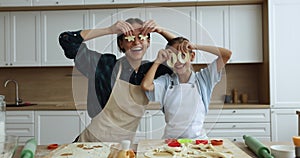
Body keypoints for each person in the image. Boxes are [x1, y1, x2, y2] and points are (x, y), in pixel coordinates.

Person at [59, 18, 175, 142]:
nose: (136, 43)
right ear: (121, 44)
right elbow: (67, 39)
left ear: (148, 42)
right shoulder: (104, 65)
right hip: (90, 144)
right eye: (129, 38)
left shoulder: (152, 72)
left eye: (141, 37)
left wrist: (161, 31)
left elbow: (183, 53)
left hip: (122, 147)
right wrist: (109, 30)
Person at [141, 37, 232, 139]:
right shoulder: (166, 82)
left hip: (198, 142)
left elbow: (226, 54)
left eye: (182, 56)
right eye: (173, 58)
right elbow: (146, 85)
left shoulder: (204, 79)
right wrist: (158, 61)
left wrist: (196, 46)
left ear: (192, 56)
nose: (178, 62)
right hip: (170, 143)